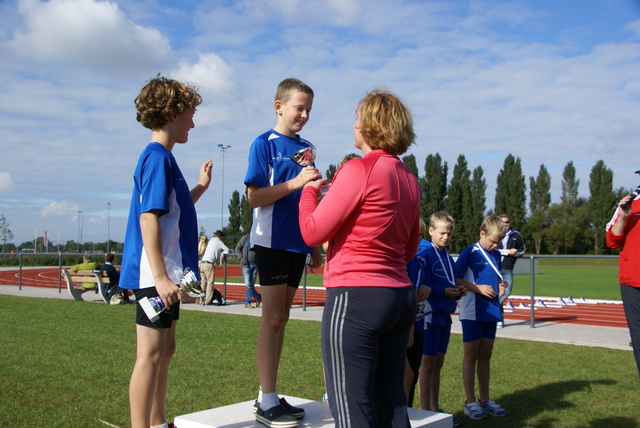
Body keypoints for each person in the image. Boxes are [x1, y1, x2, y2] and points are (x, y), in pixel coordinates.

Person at [299, 88, 421, 427]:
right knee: (392, 403)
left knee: (352, 407)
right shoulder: (410, 179)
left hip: (355, 298)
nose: (353, 125)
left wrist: (309, 193)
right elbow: (409, 248)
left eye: (357, 119)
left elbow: (312, 232)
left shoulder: (357, 171)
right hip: (398, 296)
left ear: (370, 125)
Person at [119, 75, 212, 428]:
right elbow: (149, 218)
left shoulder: (166, 160)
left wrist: (201, 188)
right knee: (150, 354)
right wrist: (159, 277)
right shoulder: (157, 158)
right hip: (155, 276)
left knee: (165, 351)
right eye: (190, 113)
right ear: (173, 113)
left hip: (169, 276)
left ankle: (158, 422)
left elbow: (174, 211)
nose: (193, 121)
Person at [244, 77, 322, 428]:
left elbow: (310, 197)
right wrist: (294, 182)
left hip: (298, 242)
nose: (304, 115)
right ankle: (267, 398)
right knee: (273, 318)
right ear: (279, 106)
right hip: (272, 241)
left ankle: (268, 395)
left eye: (308, 109)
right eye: (298, 108)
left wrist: (315, 243)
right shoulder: (263, 144)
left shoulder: (306, 147)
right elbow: (254, 197)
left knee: (282, 320)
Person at [455, 215, 508, 420]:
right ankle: (470, 401)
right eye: (492, 241)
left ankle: (485, 399)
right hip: (472, 312)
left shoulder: (496, 255)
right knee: (471, 355)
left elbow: (496, 276)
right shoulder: (470, 252)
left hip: (491, 310)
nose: (495, 245)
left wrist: (500, 286)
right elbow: (457, 278)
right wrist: (477, 288)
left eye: (498, 242)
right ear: (482, 233)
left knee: (485, 355)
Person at [416, 212, 464, 426]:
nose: (446, 237)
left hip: (445, 316)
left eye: (450, 234)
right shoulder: (424, 253)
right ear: (432, 231)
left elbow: (450, 280)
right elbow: (422, 286)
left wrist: (458, 289)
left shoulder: (446, 255)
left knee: (438, 363)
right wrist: (444, 291)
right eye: (443, 233)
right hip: (429, 316)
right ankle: (426, 411)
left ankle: (435, 409)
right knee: (427, 364)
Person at [606, 186, 640, 376]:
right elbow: (612, 241)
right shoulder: (630, 206)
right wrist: (623, 217)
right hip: (632, 281)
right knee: (638, 338)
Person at [404, 219, 431, 408]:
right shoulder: (399, 260)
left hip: (419, 323)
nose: (415, 239)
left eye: (419, 235)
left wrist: (428, 288)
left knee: (413, 373)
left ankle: (409, 412)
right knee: (403, 375)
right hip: (403, 325)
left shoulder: (421, 261)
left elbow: (429, 284)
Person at [497, 214, 526, 328]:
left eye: (507, 222)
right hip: (495, 268)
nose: (505, 224)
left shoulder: (516, 235)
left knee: (506, 292)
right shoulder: (495, 234)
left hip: (507, 268)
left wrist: (516, 253)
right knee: (496, 292)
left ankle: (490, 309)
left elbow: (522, 250)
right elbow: (491, 249)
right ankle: (499, 319)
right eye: (503, 222)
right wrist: (507, 252)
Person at [201, 230, 229, 305]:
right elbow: (227, 250)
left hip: (202, 263)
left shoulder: (211, 241)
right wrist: (223, 253)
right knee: (210, 283)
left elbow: (214, 251)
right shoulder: (218, 242)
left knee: (203, 282)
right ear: (221, 237)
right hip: (209, 264)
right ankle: (207, 301)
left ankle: (200, 299)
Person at [235, 233, 261, 309]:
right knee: (248, 284)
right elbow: (237, 248)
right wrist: (241, 258)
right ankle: (258, 297)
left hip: (255, 265)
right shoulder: (245, 238)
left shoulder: (259, 239)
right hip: (246, 265)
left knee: (250, 285)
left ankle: (247, 302)